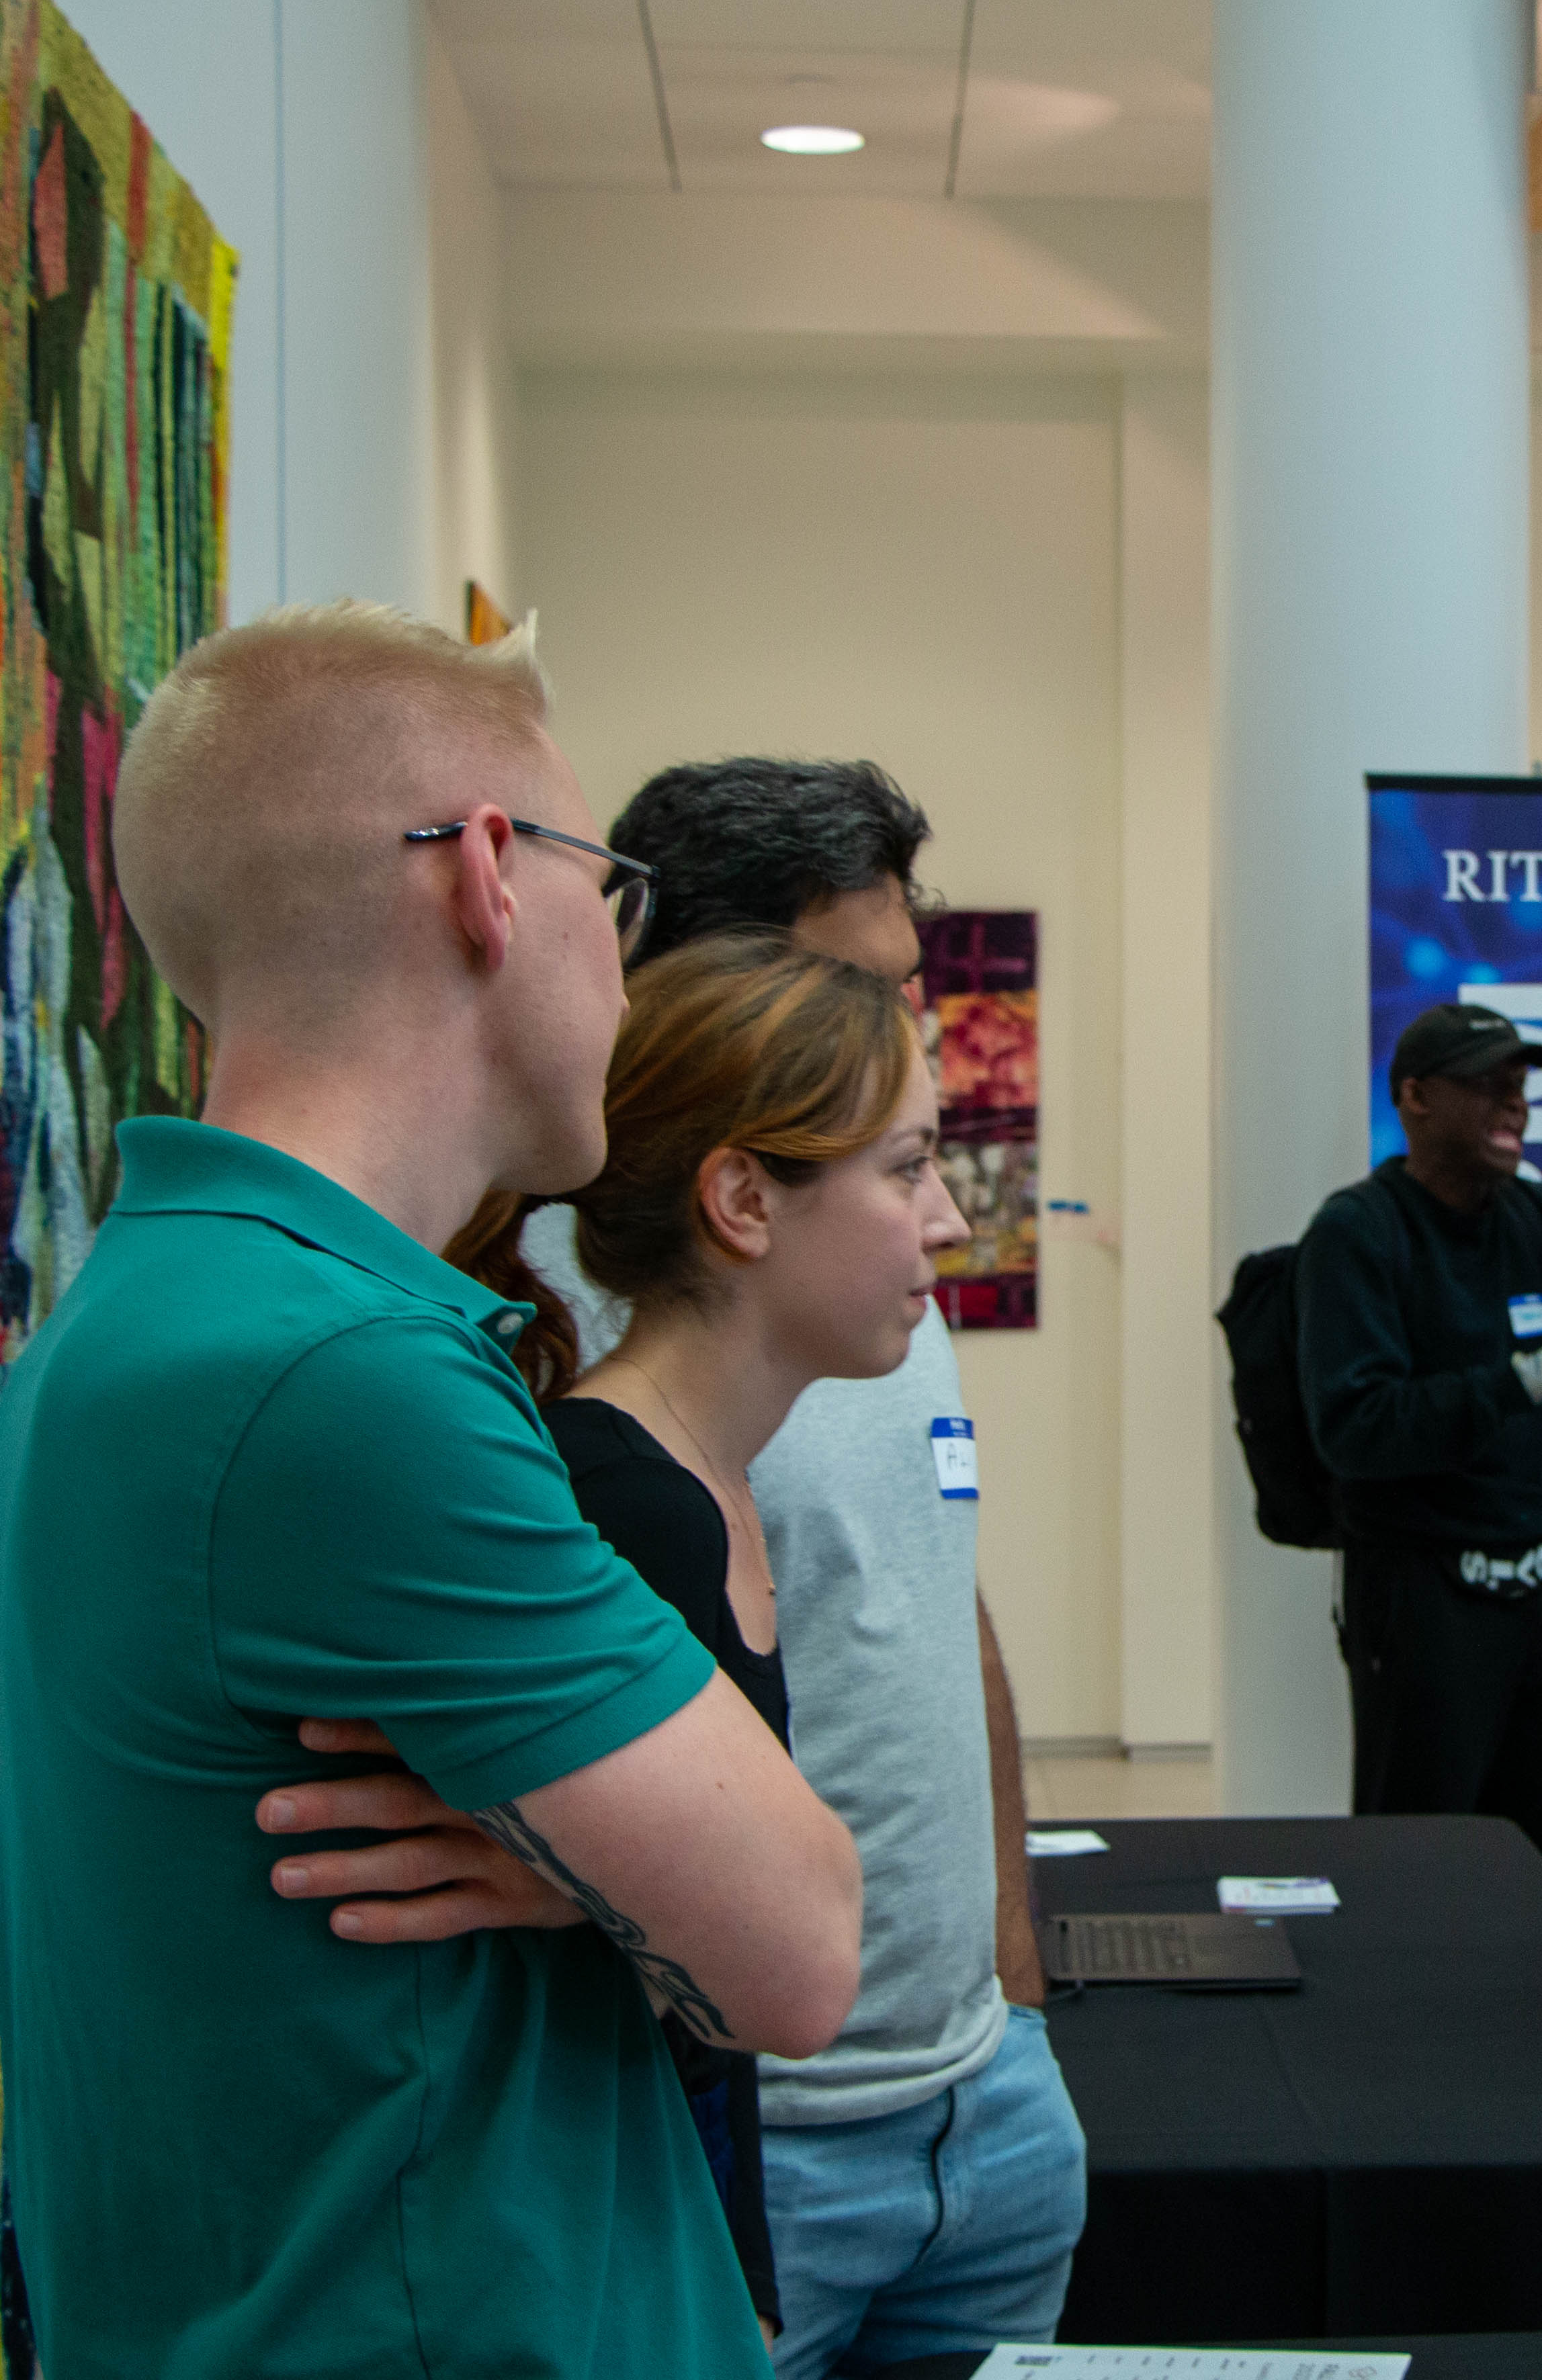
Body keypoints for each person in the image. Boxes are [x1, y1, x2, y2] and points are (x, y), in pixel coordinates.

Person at [0, 602, 863, 2377]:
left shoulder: (147, 1311)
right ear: (486, 877)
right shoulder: (340, 1375)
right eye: (612, 895)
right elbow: (799, 1949)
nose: (626, 972)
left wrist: (562, 1869)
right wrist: (608, 1879)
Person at [558, 755, 1087, 2375]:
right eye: (855, 991)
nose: (897, 1033)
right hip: (750, 2136)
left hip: (979, 2098)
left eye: (906, 990)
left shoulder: (869, 1285)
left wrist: (1012, 1988)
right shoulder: (571, 1329)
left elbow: (939, 1604)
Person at [445, 932, 966, 2344]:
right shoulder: (621, 1503)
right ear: (743, 1200)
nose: (949, 1221)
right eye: (908, 1169)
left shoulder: (708, 1482)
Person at [1293, 1006, 1542, 1884]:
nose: (1514, 1102)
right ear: (1416, 1098)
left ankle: (1532, 1975)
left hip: (1541, 1573)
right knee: (1419, 1866)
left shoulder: (1532, 1215)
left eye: (1520, 1084)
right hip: (1422, 1584)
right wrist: (1518, 1382)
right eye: (1487, 1084)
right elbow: (1356, 1431)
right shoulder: (1358, 1233)